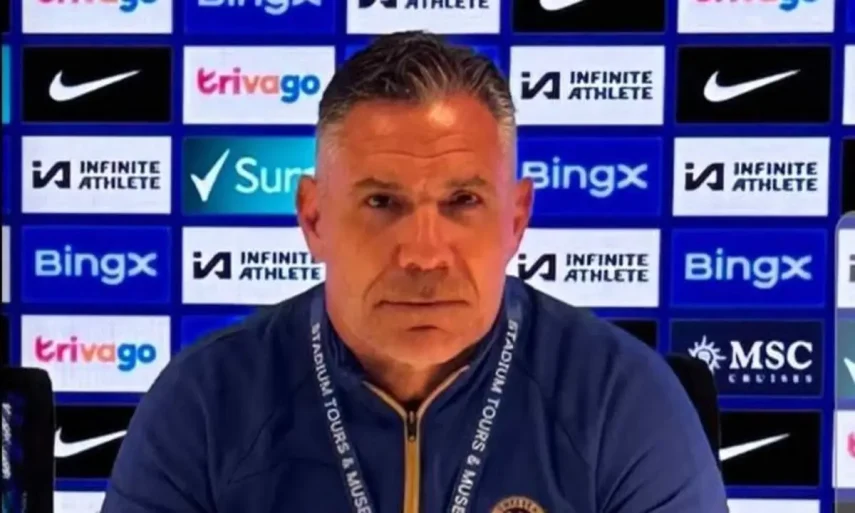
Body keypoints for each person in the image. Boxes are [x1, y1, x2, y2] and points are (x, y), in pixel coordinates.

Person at [102, 31, 728, 513]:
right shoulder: (203, 404)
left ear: (516, 221)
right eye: (382, 202)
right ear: (314, 218)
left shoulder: (623, 401)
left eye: (463, 201)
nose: (423, 254)